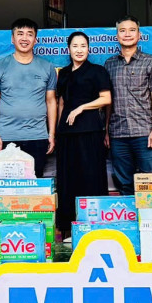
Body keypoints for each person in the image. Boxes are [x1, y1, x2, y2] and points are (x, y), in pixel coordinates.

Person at [56, 32, 112, 239]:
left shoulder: (97, 71)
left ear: (89, 49)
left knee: (91, 177)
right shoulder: (63, 73)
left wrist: (81, 108)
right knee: (67, 179)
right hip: (66, 133)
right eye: (75, 46)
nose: (79, 50)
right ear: (68, 49)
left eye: (83, 46)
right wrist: (56, 130)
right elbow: (61, 103)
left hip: (90, 131)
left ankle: (94, 227)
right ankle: (69, 228)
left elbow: (106, 99)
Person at [0, 18, 59, 177]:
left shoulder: (47, 67)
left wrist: (51, 134)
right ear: (12, 38)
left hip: (38, 137)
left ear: (35, 40)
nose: (24, 38)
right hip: (6, 137)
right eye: (20, 34)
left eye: (29, 34)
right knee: (7, 186)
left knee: (35, 183)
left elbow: (51, 102)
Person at [103, 15, 152, 195]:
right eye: (122, 31)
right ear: (117, 36)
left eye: (132, 30)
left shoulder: (151, 61)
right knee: (124, 185)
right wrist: (106, 131)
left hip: (145, 133)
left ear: (139, 35)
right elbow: (108, 102)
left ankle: (150, 216)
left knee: (151, 184)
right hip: (118, 134)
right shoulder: (109, 64)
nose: (127, 34)